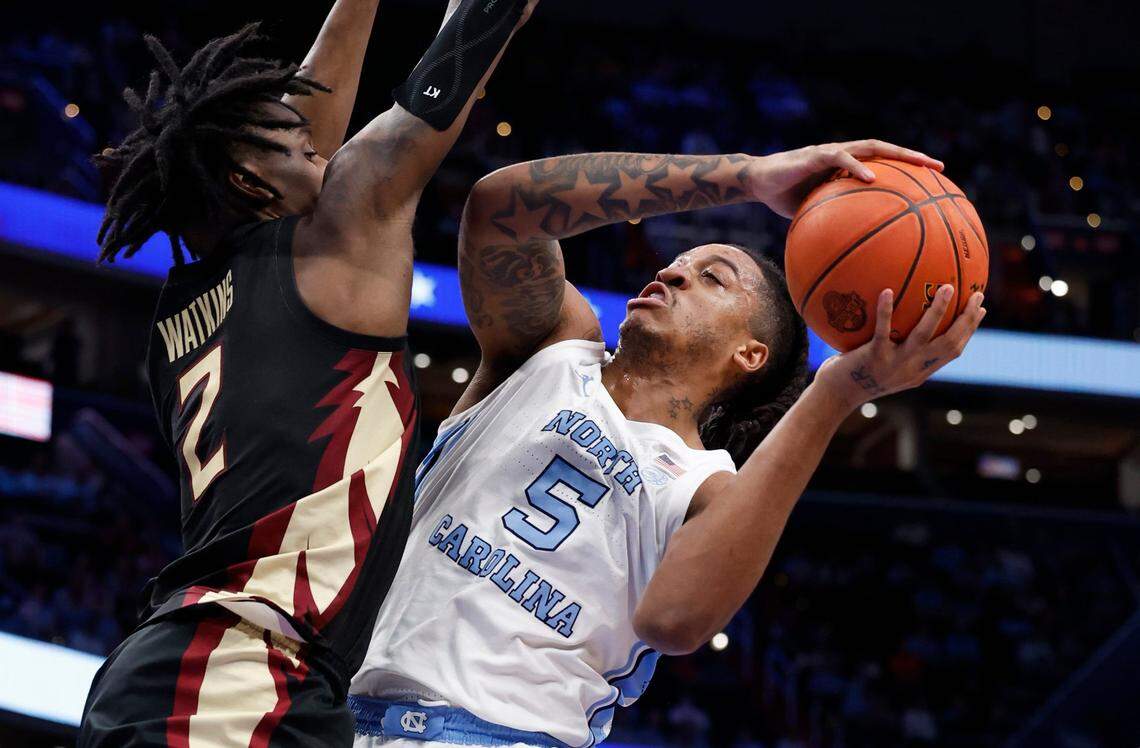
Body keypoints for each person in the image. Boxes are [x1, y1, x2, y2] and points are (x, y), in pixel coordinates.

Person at [349, 142, 985, 746]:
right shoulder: (552, 350)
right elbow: (499, 207)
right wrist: (748, 177)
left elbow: (675, 621)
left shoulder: (706, 490)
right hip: (331, 702)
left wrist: (838, 393)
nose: (673, 273)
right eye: (678, 263)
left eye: (712, 278)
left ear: (750, 353)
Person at [78, 0, 538, 743]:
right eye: (302, 148)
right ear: (250, 180)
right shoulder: (331, 252)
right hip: (236, 675)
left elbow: (298, 121)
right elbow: (413, 123)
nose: (324, 151)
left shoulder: (185, 315)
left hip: (223, 673)